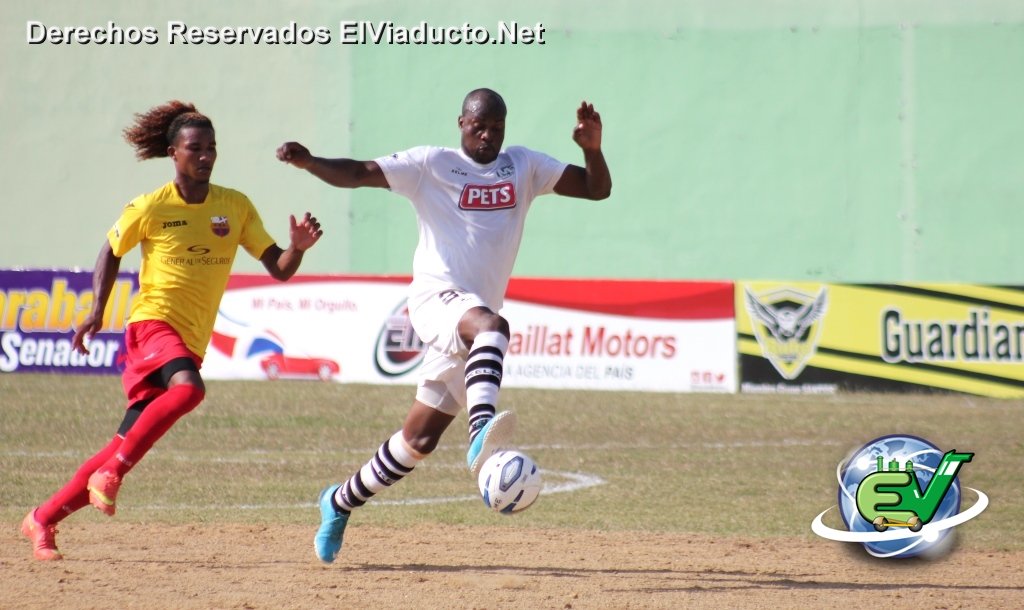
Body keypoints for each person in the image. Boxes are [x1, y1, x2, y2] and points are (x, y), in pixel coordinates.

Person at [276, 88, 611, 563]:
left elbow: (597, 189)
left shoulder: (524, 166)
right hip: (438, 302)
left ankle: (337, 502)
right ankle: (481, 434)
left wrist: (591, 150)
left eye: (497, 128)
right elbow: (357, 173)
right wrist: (310, 162)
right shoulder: (430, 165)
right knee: (494, 326)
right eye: (480, 126)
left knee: (418, 441)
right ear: (461, 123)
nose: (488, 135)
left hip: (467, 329)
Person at [21, 101, 324, 561]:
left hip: (189, 340)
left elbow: (278, 268)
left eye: (212, 148)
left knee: (119, 446)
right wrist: (96, 310)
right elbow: (111, 248)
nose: (206, 156)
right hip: (152, 325)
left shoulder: (235, 206)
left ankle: (41, 519)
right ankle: (113, 474)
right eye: (195, 148)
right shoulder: (151, 206)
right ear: (173, 153)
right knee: (189, 392)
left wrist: (297, 249)